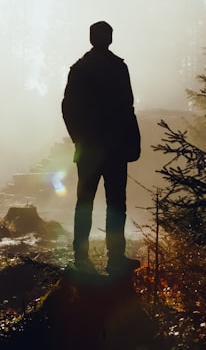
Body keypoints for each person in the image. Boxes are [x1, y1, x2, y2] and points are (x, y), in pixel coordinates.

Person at [61, 20, 142, 275]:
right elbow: (128, 108)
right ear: (110, 38)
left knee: (84, 203)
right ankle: (115, 258)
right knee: (116, 203)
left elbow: (67, 108)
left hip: (88, 149)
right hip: (115, 148)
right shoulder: (119, 68)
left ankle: (81, 258)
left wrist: (78, 139)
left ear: (90, 38)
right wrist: (132, 142)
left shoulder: (79, 68)